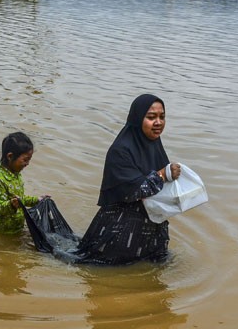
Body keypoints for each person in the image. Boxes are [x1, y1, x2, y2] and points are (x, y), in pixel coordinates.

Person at [24, 94, 181, 265]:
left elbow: (162, 188)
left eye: (162, 117)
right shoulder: (120, 150)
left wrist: (173, 176)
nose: (158, 122)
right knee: (103, 270)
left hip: (150, 230)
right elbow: (132, 191)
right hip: (120, 232)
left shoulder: (155, 146)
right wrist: (162, 175)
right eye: (151, 117)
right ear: (137, 119)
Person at [0, 132, 48, 234]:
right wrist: (12, 205)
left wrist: (36, 200)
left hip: (17, 228)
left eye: (29, 160)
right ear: (10, 156)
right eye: (25, 160)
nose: (27, 164)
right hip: (4, 232)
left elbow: (21, 198)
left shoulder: (17, 175)